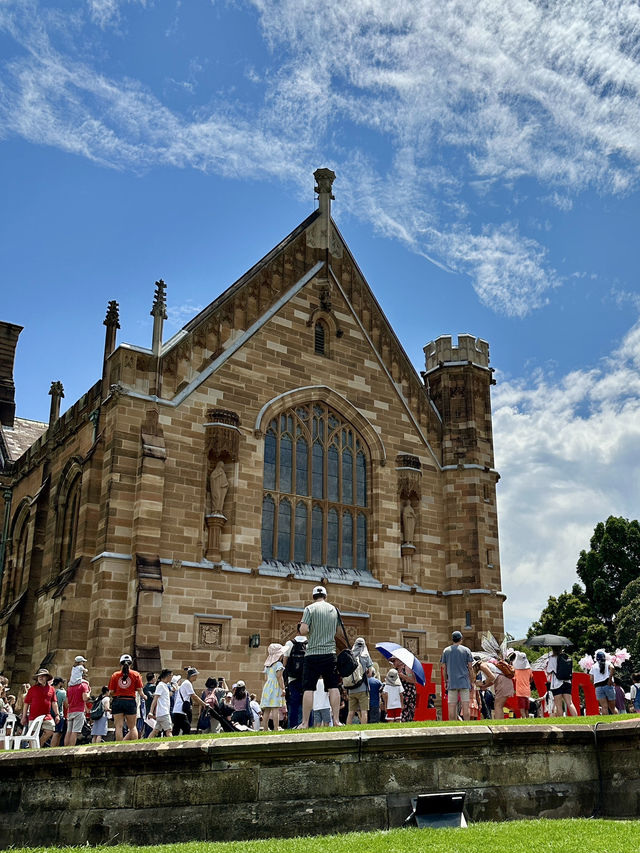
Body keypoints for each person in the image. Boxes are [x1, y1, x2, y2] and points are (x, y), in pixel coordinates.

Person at [298, 585, 341, 729]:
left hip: (313, 654)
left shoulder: (309, 609)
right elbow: (337, 629)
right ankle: (336, 721)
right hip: (330, 653)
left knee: (309, 688)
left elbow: (303, 630)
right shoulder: (334, 609)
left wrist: (307, 630)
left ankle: (304, 723)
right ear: (325, 596)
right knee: (333, 687)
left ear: (313, 596)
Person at [440, 630, 475, 721]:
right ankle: (467, 725)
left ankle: (453, 726)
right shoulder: (466, 650)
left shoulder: (446, 651)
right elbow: (470, 667)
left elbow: (444, 668)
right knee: (465, 705)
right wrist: (472, 681)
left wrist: (445, 681)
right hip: (464, 681)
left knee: (451, 706)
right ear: (461, 639)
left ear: (452, 639)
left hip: (452, 681)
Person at [108, 653, 144, 740]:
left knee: (118, 727)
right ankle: (134, 746)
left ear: (120, 664)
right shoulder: (136, 674)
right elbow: (139, 689)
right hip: (130, 701)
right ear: (131, 664)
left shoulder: (115, 675)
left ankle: (119, 746)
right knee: (132, 727)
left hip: (118, 700)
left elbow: (111, 692)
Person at [22, 669, 60, 747]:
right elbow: (26, 703)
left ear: (47, 678)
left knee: (50, 730)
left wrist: (57, 715)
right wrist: (24, 716)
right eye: (39, 676)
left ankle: (39, 744)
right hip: (34, 716)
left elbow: (54, 702)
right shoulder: (32, 689)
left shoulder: (51, 689)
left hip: (47, 715)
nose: (40, 678)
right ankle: (33, 751)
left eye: (43, 676)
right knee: (32, 734)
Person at [282, 624, 307, 729]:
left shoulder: (289, 643)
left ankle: (292, 726)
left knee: (293, 703)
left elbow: (285, 662)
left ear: (296, 631)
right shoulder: (309, 644)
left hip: (292, 678)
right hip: (305, 679)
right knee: (306, 703)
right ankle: (306, 724)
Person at [172, 667, 208, 735]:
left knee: (176, 728)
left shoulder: (186, 683)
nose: (196, 677)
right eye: (196, 675)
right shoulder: (187, 683)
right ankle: (183, 742)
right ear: (192, 676)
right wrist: (204, 704)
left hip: (178, 709)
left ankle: (173, 742)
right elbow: (194, 696)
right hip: (180, 710)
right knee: (186, 727)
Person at [346, 637, 373, 724]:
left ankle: (348, 730)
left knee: (351, 713)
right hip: (362, 688)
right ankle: (363, 729)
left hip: (351, 688)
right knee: (364, 711)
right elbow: (370, 673)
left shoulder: (350, 655)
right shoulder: (365, 656)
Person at [546, 646, 577, 717]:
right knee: (570, 703)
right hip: (567, 682)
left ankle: (562, 721)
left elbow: (548, 672)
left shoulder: (552, 658)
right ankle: (576, 718)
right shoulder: (566, 657)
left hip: (556, 683)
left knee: (558, 705)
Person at [261, 643, 286, 731]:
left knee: (267, 709)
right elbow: (279, 677)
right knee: (275, 707)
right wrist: (283, 688)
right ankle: (276, 727)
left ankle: (265, 728)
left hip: (267, 686)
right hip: (275, 686)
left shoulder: (268, 665)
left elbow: (265, 678)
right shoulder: (278, 664)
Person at [64, 671, 91, 747]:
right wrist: (89, 693)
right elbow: (85, 698)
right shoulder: (84, 685)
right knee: (75, 732)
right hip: (79, 710)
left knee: (68, 731)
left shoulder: (70, 686)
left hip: (70, 711)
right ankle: (70, 748)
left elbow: (66, 702)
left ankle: (65, 748)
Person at [589, 649, 616, 715]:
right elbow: (612, 668)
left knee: (604, 707)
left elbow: (591, 679)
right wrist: (610, 679)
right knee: (612, 707)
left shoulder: (593, 666)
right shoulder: (608, 663)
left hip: (598, 687)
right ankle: (618, 721)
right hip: (608, 685)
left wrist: (594, 684)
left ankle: (605, 723)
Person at [149, 669, 173, 738]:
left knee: (155, 731)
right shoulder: (161, 685)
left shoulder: (164, 685)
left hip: (161, 713)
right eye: (171, 676)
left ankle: (146, 743)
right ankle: (172, 746)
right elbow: (155, 699)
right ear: (168, 676)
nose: (172, 677)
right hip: (164, 713)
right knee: (169, 731)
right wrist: (151, 712)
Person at [513, 651, 532, 719]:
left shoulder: (516, 670)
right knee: (527, 708)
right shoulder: (529, 670)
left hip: (520, 692)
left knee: (522, 708)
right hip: (527, 691)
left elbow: (514, 679)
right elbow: (531, 679)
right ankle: (527, 718)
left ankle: (524, 718)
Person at [50, 677, 67, 747]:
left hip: (49, 713)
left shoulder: (50, 690)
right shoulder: (62, 692)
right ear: (60, 683)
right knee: (57, 733)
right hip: (59, 714)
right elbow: (66, 704)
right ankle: (53, 748)